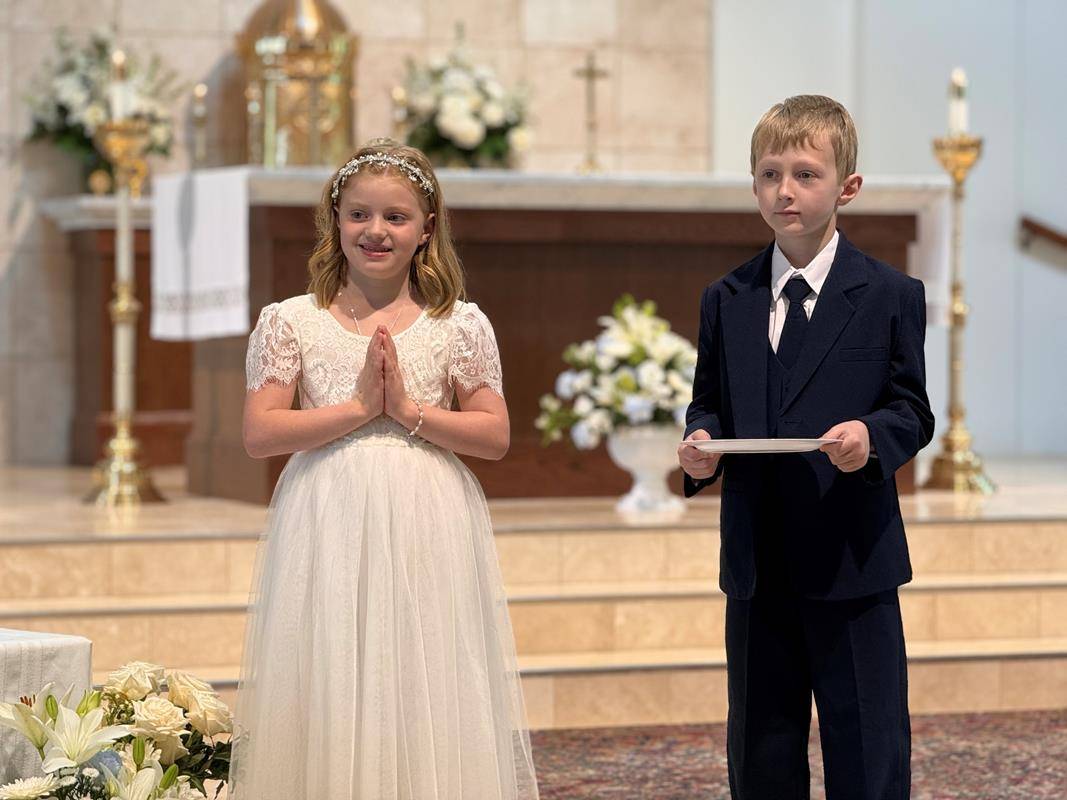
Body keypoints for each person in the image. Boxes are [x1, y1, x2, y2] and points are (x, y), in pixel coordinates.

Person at [229, 139, 539, 799]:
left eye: (395, 218)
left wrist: (405, 410)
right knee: (332, 665)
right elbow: (260, 433)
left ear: (426, 228)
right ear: (334, 220)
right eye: (359, 215)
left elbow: (493, 435)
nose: (376, 232)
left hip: (427, 512)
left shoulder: (458, 323)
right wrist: (357, 408)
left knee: (422, 668)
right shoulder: (292, 321)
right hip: (326, 512)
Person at [677, 95, 934, 799]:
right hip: (758, 562)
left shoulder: (888, 294)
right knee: (762, 740)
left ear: (845, 187)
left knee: (867, 739)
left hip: (852, 556)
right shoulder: (724, 299)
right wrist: (698, 443)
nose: (783, 190)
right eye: (768, 173)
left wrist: (870, 437)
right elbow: (709, 403)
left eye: (804, 174)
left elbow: (911, 409)